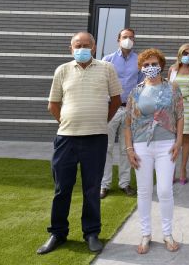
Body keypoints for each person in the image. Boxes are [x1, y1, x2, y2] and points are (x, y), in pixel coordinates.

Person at [37, 32, 122, 255]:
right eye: (78, 45)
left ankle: (91, 233)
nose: (82, 48)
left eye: (86, 45)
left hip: (96, 138)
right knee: (61, 188)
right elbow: (53, 104)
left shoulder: (107, 68)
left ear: (94, 48)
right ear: (70, 48)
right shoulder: (62, 70)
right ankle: (58, 233)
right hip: (66, 138)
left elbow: (115, 100)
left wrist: (100, 121)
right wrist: (66, 121)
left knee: (92, 188)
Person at [124, 48, 184, 254]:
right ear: (141, 68)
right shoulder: (135, 92)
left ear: (161, 65)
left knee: (165, 190)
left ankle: (167, 233)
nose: (150, 67)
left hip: (166, 144)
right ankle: (145, 234)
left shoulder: (173, 88)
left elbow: (180, 116)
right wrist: (129, 148)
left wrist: (179, 142)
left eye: (154, 64)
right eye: (146, 65)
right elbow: (127, 123)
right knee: (144, 191)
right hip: (141, 146)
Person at [100, 28, 141, 199]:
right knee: (106, 148)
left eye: (131, 37)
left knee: (126, 149)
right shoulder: (107, 60)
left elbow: (140, 86)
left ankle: (124, 183)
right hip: (111, 109)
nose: (128, 40)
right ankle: (104, 184)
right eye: (125, 37)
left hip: (130, 109)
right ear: (118, 39)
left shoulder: (139, 61)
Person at [168, 43, 189, 184]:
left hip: (188, 105)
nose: (188, 56)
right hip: (173, 106)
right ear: (180, 54)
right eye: (185, 53)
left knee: (186, 139)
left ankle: (183, 169)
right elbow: (168, 88)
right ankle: (171, 170)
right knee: (172, 138)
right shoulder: (172, 69)